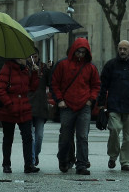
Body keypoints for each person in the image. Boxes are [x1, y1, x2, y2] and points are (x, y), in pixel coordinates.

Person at [50, 37, 100, 176]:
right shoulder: (62, 65)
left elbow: (96, 85)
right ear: (73, 50)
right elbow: (54, 83)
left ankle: (82, 164)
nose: (80, 55)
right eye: (78, 52)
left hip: (84, 105)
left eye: (83, 52)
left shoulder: (90, 67)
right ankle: (64, 159)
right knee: (66, 135)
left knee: (82, 136)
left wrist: (91, 99)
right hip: (67, 105)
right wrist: (59, 100)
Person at [97, 40, 129, 172]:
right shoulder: (111, 65)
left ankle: (125, 161)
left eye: (125, 49)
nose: (122, 51)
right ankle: (113, 156)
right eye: (120, 48)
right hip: (114, 105)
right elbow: (103, 86)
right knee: (114, 130)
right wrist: (101, 105)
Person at [0, 56, 40, 174]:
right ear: (16, 58)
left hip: (24, 108)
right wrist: (10, 104)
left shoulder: (26, 70)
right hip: (9, 109)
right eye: (23, 57)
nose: (26, 59)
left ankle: (29, 164)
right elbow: (0, 89)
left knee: (27, 137)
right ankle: (6, 164)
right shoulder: (7, 68)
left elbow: (32, 87)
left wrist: (35, 74)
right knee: (8, 138)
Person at [28, 48, 52, 167]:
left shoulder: (43, 68)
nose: (33, 59)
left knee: (39, 136)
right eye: (31, 56)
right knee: (30, 136)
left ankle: (35, 154)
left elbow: (50, 83)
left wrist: (50, 70)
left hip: (41, 106)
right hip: (28, 105)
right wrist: (31, 72)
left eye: (35, 56)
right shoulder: (25, 68)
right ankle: (31, 159)